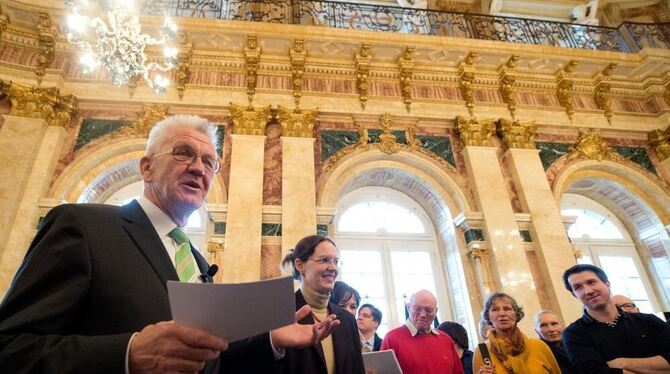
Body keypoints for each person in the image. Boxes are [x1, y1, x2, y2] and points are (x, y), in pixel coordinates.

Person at [0, 115, 339, 373]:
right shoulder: (85, 226)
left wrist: (271, 340)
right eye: (183, 153)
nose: (198, 168)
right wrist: (128, 353)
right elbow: (11, 347)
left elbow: (209, 362)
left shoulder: (196, 261)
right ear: (147, 168)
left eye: (209, 162)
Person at [562, 264, 670, 373]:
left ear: (607, 284)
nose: (588, 291)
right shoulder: (573, 333)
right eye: (578, 287)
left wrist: (621, 363)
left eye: (591, 282)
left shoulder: (649, 321)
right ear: (574, 294)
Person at [280, 235, 365, 374]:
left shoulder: (348, 320)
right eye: (324, 260)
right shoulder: (280, 313)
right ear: (300, 265)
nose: (333, 268)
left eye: (335, 261)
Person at [474, 292, 560, 374]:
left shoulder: (539, 346)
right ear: (488, 317)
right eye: (495, 310)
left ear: (516, 314)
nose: (502, 313)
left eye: (507, 309)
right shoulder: (482, 351)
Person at [381, 289, 464, 374]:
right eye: (417, 309)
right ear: (409, 307)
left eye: (429, 310)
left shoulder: (446, 340)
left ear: (435, 312)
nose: (423, 315)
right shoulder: (392, 339)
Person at [534, 310, 575, 374]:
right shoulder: (537, 353)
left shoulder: (574, 346)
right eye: (544, 325)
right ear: (537, 331)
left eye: (554, 324)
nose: (551, 329)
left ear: (562, 326)